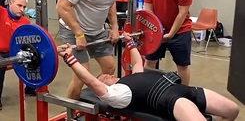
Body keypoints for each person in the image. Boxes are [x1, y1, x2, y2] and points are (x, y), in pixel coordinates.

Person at [57, 33, 239, 121]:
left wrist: (131, 42)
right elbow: (90, 80)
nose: (105, 75)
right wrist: (70, 58)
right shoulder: (116, 94)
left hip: (189, 91)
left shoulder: (131, 78)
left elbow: (137, 62)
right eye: (104, 77)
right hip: (173, 100)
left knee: (233, 111)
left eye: (105, 74)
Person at [56, 0, 139, 101]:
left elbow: (110, 2)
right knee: (81, 75)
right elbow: (62, 6)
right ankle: (71, 114)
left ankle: (96, 105)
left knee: (109, 67)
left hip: (96, 30)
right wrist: (79, 34)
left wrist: (114, 27)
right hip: (74, 29)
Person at [143, 0, 194, 85]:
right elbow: (148, 10)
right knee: (149, 62)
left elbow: (182, 13)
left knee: (182, 66)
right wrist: (153, 31)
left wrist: (171, 34)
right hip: (157, 29)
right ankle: (147, 90)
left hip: (180, 30)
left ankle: (183, 94)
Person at [0, 0, 30, 110]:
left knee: (34, 58)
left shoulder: (25, 22)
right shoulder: (1, 13)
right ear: (10, 3)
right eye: (19, 5)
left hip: (16, 52)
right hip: (1, 52)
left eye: (24, 7)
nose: (22, 9)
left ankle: (31, 88)